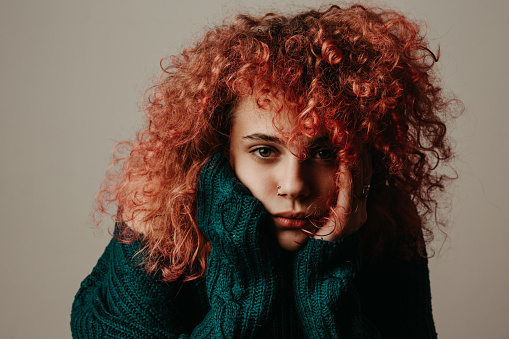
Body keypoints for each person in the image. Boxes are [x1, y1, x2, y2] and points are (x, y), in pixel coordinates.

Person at [71, 3, 457, 338]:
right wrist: (246, 290)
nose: (293, 185)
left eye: (324, 152)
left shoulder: (386, 226)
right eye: (264, 150)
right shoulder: (156, 229)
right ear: (221, 150)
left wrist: (328, 281)